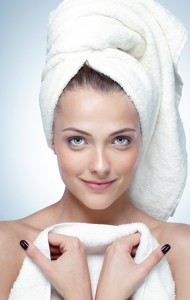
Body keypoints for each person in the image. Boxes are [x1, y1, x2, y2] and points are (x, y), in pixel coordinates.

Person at [0, 0, 190, 299]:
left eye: (120, 140)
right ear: (52, 137)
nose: (100, 165)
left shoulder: (181, 250)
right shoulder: (7, 245)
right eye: (78, 140)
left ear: (144, 139)